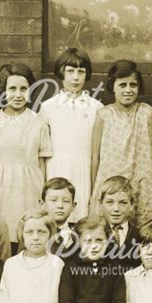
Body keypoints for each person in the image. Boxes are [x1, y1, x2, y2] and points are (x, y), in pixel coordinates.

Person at [89, 59, 152, 229]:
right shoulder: (104, 115)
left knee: (142, 233)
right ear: (112, 87)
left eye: (133, 85)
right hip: (111, 181)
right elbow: (95, 157)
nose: (128, 90)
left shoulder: (146, 112)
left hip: (140, 181)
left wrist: (151, 183)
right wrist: (94, 190)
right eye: (122, 85)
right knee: (105, 230)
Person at [0, 62, 51, 247]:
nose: (18, 94)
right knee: (2, 238)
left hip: (29, 190)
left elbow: (42, 164)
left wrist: (43, 197)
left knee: (27, 236)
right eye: (12, 88)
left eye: (24, 89)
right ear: (3, 90)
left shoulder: (38, 123)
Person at [40, 48, 102, 222]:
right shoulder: (48, 107)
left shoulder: (96, 107)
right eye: (70, 71)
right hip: (56, 168)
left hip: (84, 171)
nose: (75, 77)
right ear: (61, 72)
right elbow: (43, 150)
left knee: (81, 219)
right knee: (55, 219)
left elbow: (97, 152)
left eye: (81, 72)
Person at [41, 177, 78, 256]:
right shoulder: (36, 233)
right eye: (54, 200)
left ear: (73, 206)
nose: (60, 205)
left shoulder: (78, 233)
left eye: (66, 201)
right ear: (42, 204)